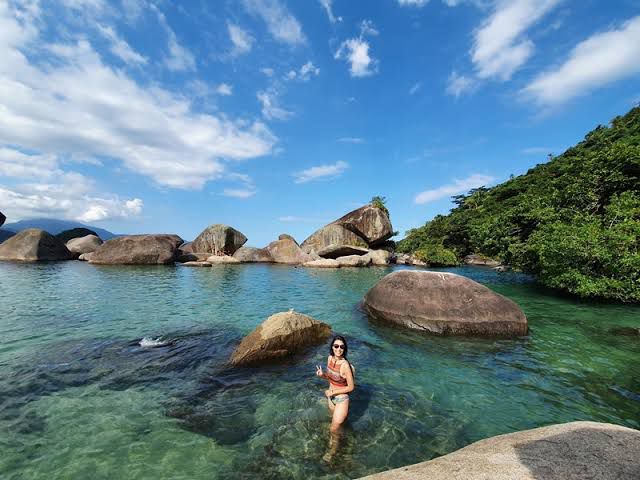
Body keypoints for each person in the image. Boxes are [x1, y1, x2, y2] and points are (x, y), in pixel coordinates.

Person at [315, 335, 355, 433]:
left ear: (344, 349)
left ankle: (332, 449)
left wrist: (333, 391)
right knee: (336, 424)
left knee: (333, 429)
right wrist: (322, 375)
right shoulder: (329, 358)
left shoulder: (345, 365)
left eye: (342, 347)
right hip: (331, 397)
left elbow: (351, 387)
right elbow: (331, 378)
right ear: (332, 347)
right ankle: (345, 436)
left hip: (341, 399)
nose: (339, 349)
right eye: (336, 346)